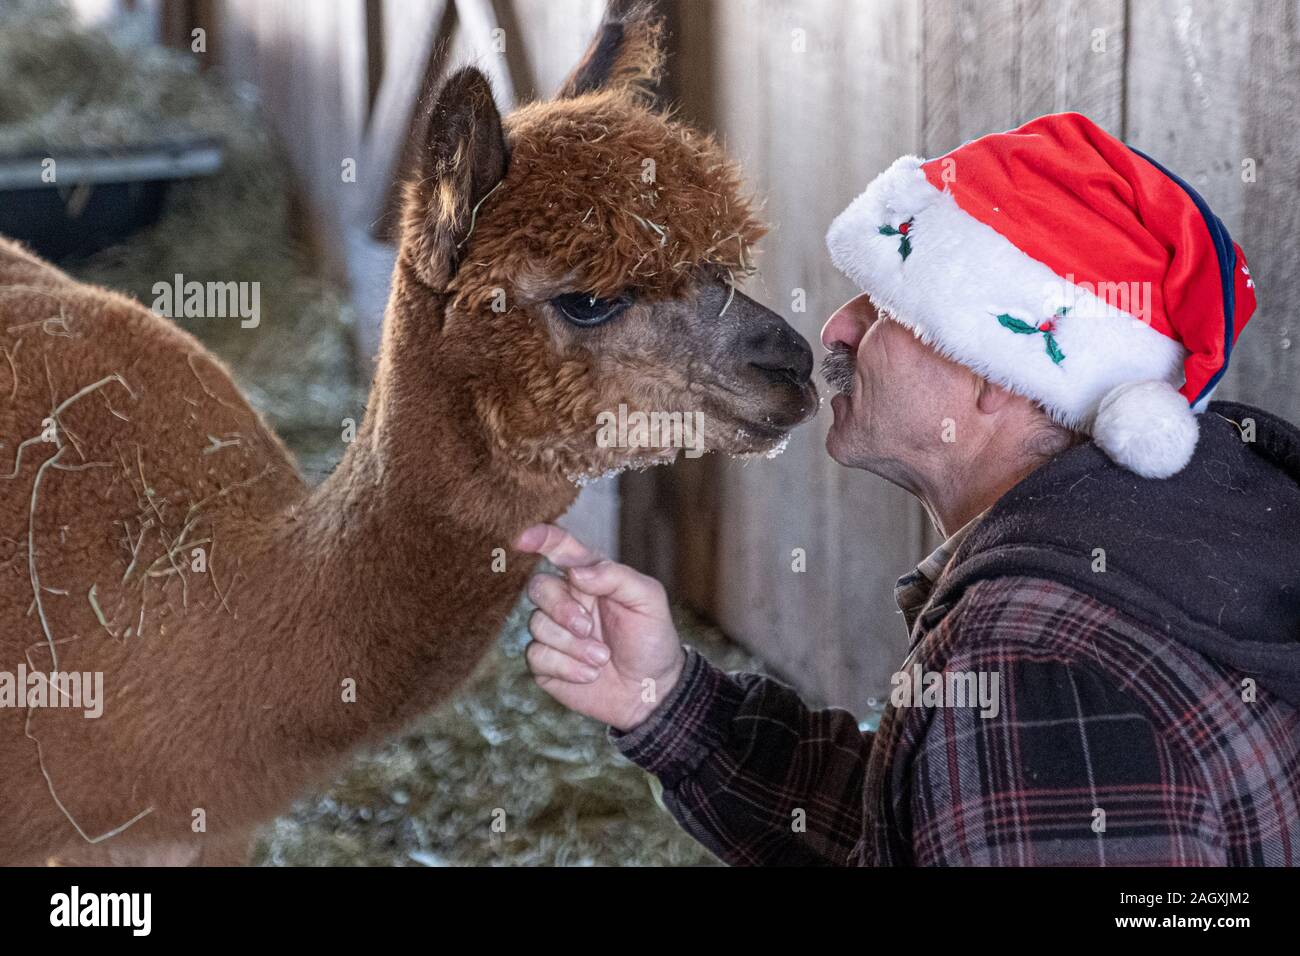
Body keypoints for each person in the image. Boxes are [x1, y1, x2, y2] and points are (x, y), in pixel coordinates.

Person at [515, 112, 1300, 866]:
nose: (836, 331)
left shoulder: (1034, 670)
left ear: (1001, 371)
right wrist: (669, 703)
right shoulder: (1184, 530)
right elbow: (930, 825)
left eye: (887, 308)